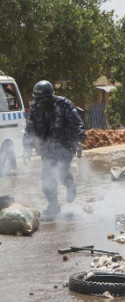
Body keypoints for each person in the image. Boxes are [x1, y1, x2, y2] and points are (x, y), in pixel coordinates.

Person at [22, 80, 85, 215]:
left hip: (64, 146)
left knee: (61, 172)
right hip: (46, 148)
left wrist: (78, 142)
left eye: (42, 100)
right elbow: (30, 128)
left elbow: (76, 123)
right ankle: (53, 205)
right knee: (47, 177)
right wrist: (27, 147)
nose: (40, 103)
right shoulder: (35, 107)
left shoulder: (64, 104)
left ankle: (70, 186)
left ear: (50, 98)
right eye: (37, 100)